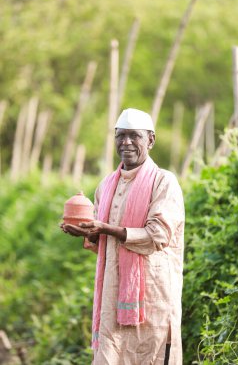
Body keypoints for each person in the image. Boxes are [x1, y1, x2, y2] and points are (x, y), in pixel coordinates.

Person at [62, 108, 185, 365]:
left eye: (134, 136)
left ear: (150, 140)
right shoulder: (106, 185)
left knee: (149, 355)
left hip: (153, 298)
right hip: (112, 297)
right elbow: (105, 246)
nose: (126, 142)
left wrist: (104, 228)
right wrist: (88, 233)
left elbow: (157, 236)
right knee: (110, 356)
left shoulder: (164, 182)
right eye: (120, 136)